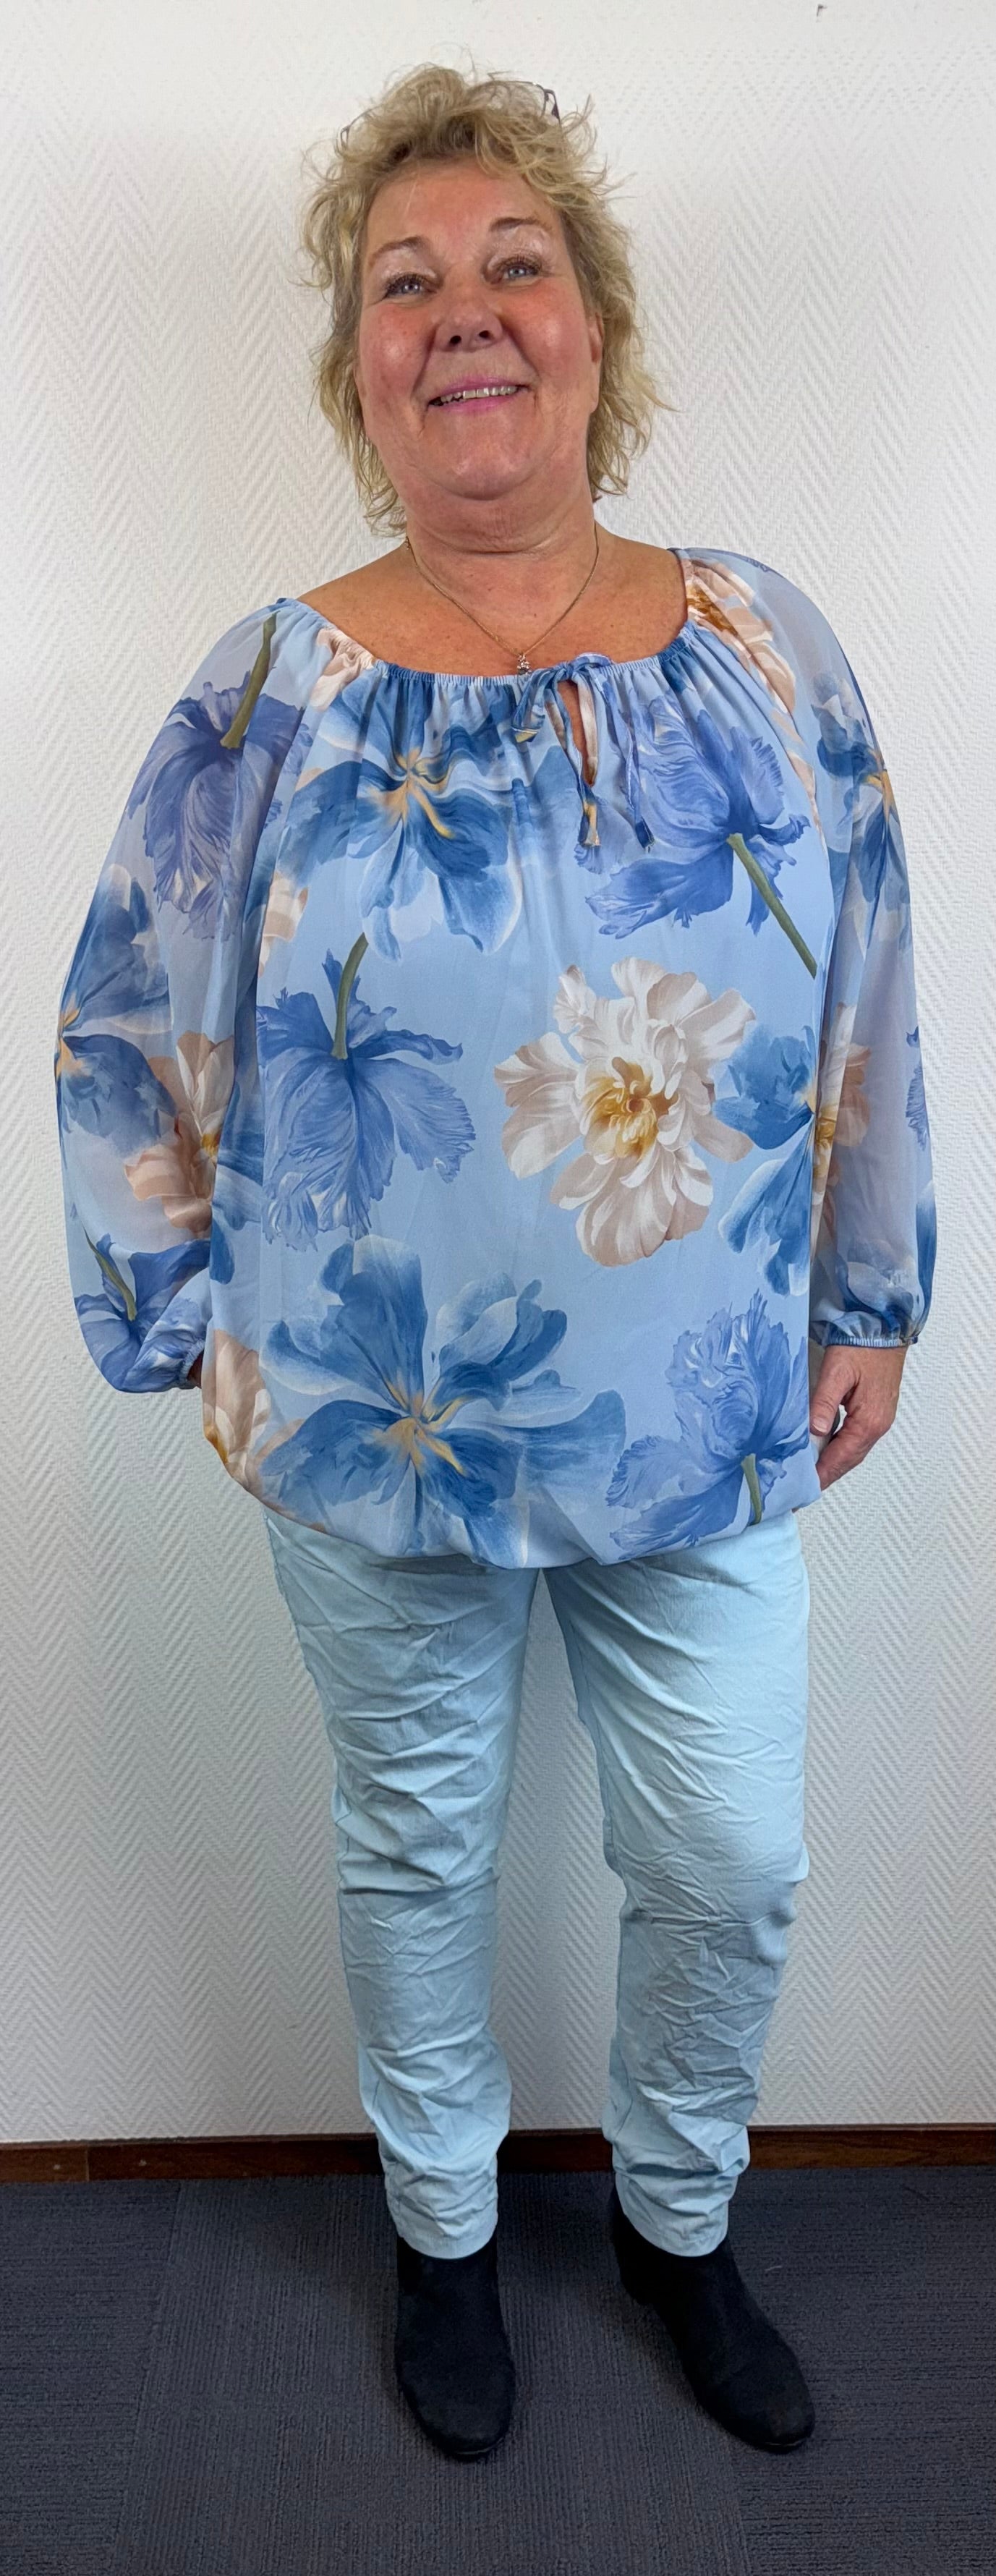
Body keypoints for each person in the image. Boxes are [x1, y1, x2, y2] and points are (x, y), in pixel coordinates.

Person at [54, 64, 936, 2466]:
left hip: (713, 1394)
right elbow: (130, 1006)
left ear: (592, 328)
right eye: (406, 281)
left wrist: (867, 1291)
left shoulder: (760, 641)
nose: (465, 313)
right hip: (368, 1408)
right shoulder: (273, 687)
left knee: (729, 1855)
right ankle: (443, 2232)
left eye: (512, 266)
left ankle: (677, 2214)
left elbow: (865, 965)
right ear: (358, 366)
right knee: (416, 1845)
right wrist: (177, 1316)